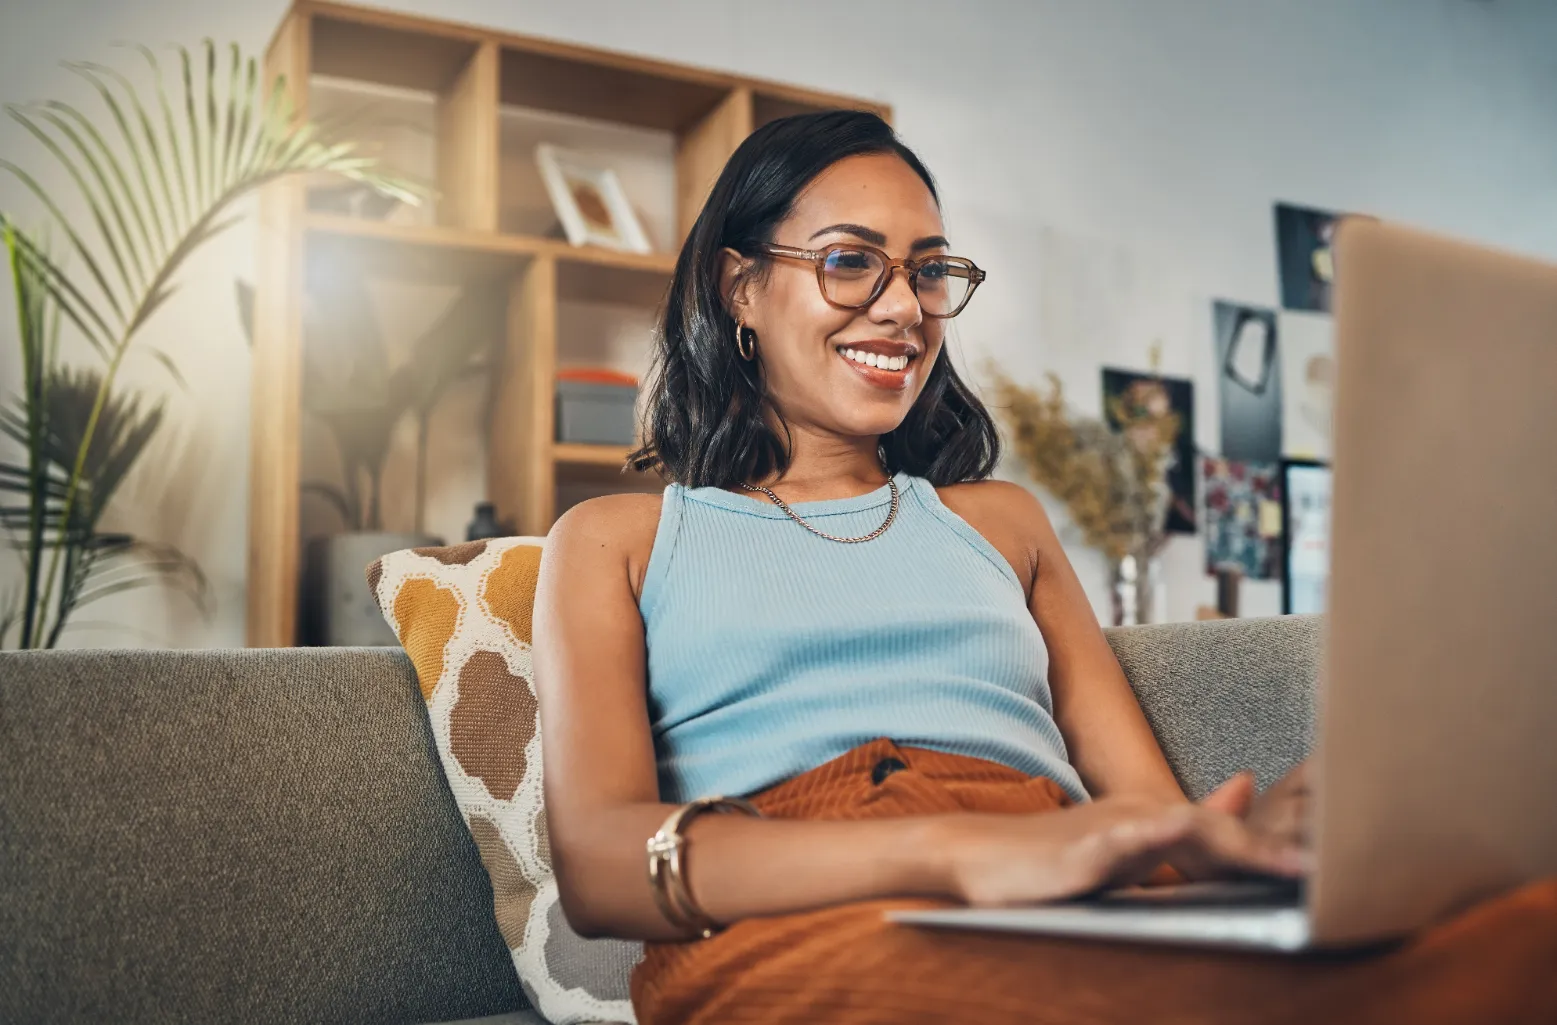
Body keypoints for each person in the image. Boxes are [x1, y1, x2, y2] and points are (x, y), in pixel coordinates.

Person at [531, 111, 1556, 1025]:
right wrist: (950, 849)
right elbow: (606, 866)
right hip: (794, 913)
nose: (904, 309)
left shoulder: (1003, 521)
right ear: (739, 285)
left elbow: (1150, 823)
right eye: (852, 261)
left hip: (1061, 884)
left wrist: (1273, 843)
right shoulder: (618, 539)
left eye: (929, 271)